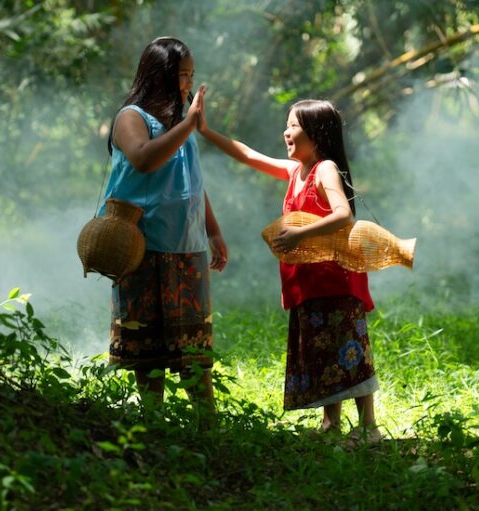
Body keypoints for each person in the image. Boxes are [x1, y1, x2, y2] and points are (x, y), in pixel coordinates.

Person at [197, 97, 382, 445]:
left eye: (294, 125)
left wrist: (299, 233)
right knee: (322, 349)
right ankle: (331, 423)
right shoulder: (295, 171)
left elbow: (344, 214)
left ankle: (369, 427)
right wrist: (205, 131)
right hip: (308, 282)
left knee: (349, 348)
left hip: (335, 278)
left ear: (316, 133)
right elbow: (247, 155)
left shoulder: (325, 169)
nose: (286, 132)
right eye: (287, 124)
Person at [101, 37, 227, 421]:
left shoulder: (180, 124)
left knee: (193, 342)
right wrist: (188, 124)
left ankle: (207, 422)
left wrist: (213, 230)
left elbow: (193, 181)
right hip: (144, 245)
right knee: (147, 343)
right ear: (159, 76)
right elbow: (142, 159)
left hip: (187, 245)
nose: (188, 84)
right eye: (181, 75)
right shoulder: (131, 117)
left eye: (191, 75)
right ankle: (153, 420)